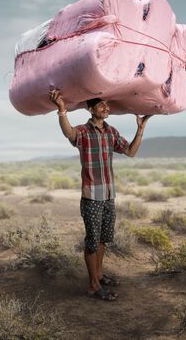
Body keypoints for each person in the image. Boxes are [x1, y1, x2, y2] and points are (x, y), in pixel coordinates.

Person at [49, 88, 152, 301]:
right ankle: (93, 286)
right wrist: (62, 111)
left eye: (108, 104)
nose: (107, 107)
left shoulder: (111, 132)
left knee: (104, 239)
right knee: (92, 242)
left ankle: (99, 274)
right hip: (91, 196)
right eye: (101, 104)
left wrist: (140, 129)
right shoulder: (84, 132)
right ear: (90, 108)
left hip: (108, 194)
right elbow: (69, 133)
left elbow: (131, 152)